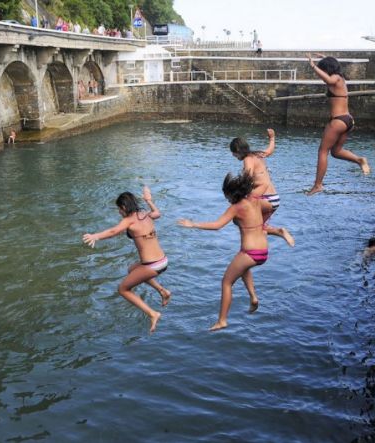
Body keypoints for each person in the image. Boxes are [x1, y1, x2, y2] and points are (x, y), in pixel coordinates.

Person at [179, 172, 268, 331]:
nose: (226, 199)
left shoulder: (236, 207)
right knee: (243, 269)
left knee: (226, 282)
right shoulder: (254, 198)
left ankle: (222, 320)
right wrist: (248, 186)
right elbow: (265, 184)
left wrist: (193, 224)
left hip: (249, 252)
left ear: (232, 194)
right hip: (263, 251)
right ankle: (253, 297)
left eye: (226, 195)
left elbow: (217, 225)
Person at [83, 186, 171, 333]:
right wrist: (149, 200)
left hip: (152, 266)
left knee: (123, 289)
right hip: (162, 260)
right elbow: (157, 213)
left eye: (119, 209)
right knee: (131, 270)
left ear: (124, 207)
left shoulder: (129, 221)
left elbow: (113, 231)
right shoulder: (144, 214)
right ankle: (163, 291)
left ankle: (153, 314)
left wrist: (95, 236)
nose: (119, 212)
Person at [306, 53, 370, 195]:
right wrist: (324, 57)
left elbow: (327, 78)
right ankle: (359, 160)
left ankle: (318, 185)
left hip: (338, 121)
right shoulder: (340, 79)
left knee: (323, 151)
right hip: (347, 120)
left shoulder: (335, 78)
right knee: (336, 151)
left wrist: (313, 66)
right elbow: (331, 68)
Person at [229, 129, 295, 247]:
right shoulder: (258, 155)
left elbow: (247, 177)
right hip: (275, 199)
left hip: (265, 198)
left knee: (237, 218)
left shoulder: (248, 159)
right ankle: (268, 238)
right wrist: (272, 138)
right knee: (257, 228)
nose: (233, 155)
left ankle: (277, 233)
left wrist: (235, 189)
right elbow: (269, 151)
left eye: (233, 153)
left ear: (238, 150)